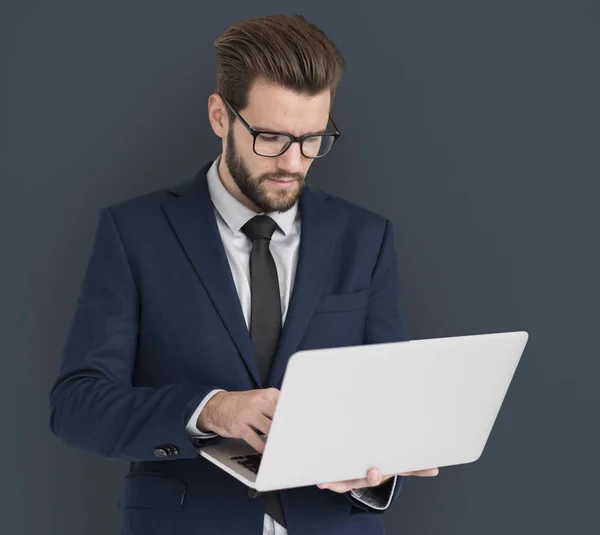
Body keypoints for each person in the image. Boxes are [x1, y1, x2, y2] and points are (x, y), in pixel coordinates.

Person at [49, 14, 438, 535]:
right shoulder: (134, 232)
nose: (293, 162)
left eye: (312, 140)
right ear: (220, 116)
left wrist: (378, 473)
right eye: (271, 137)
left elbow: (386, 399)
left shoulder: (365, 238)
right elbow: (77, 406)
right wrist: (209, 410)